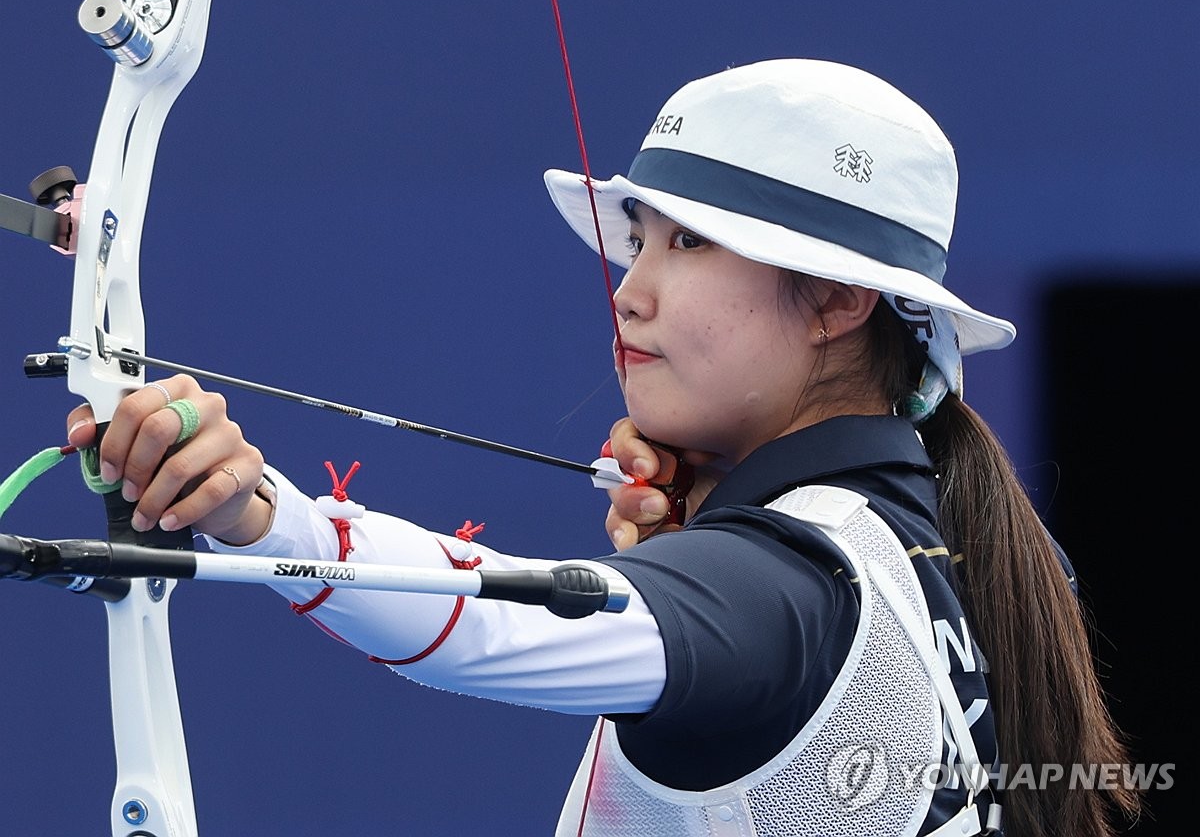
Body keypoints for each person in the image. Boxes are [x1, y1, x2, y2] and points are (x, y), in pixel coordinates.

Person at [67, 59, 1140, 836]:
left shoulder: (794, 587)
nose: (630, 287)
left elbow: (505, 619)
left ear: (838, 299)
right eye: (639, 241)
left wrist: (260, 519)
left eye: (689, 241)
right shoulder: (918, 547)